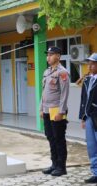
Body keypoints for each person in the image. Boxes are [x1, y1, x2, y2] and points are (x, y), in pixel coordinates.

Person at [40, 47, 70, 176]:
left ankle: (61, 167)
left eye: (51, 55)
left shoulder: (62, 72)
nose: (48, 57)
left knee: (59, 138)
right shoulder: (47, 72)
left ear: (58, 56)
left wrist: (61, 111)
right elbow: (44, 92)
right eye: (48, 55)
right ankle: (54, 164)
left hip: (56, 110)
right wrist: (41, 108)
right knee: (50, 137)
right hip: (47, 109)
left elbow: (64, 94)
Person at [79, 53, 97, 184]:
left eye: (93, 63)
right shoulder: (87, 80)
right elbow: (83, 100)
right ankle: (96, 172)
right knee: (92, 146)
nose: (90, 66)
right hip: (89, 117)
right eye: (89, 63)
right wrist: (83, 117)